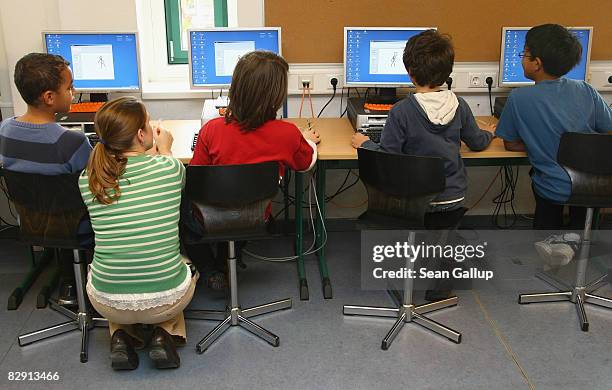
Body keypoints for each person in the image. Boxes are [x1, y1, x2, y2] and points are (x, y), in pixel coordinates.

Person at [351, 30, 493, 300]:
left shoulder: (401, 111)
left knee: (414, 222)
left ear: (409, 71)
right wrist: (490, 134)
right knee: (447, 240)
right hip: (452, 199)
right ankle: (440, 290)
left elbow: (388, 158)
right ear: (447, 71)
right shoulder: (460, 105)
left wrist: (364, 144)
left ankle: (404, 272)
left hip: (414, 202)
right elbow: (476, 142)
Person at [79, 97, 197, 370]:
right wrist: (164, 147)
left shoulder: (88, 178)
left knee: (113, 267)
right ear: (142, 134)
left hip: (105, 302)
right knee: (186, 265)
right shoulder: (169, 168)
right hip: (166, 300)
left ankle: (121, 335)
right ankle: (164, 332)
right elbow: (165, 171)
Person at [184, 50, 320, 286]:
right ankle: (227, 260)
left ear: (236, 88)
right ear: (277, 96)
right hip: (255, 217)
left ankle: (209, 268)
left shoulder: (211, 130)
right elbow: (305, 164)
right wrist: (305, 140)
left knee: (183, 205)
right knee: (243, 205)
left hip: (209, 218)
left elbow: (197, 179)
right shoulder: (286, 134)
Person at [495, 24, 612, 230]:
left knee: (547, 217)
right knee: (583, 227)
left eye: (525, 53)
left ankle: (547, 247)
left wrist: (539, 144)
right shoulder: (586, 90)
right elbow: (608, 132)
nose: (522, 58)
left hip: (554, 188)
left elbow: (510, 145)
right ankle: (583, 246)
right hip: (597, 186)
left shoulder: (518, 98)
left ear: (536, 64)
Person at [0, 53, 92, 304]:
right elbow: (96, 182)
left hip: (32, 221)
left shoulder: (5, 130)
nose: (74, 91)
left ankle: (68, 280)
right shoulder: (73, 141)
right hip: (76, 227)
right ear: (50, 97)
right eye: (69, 87)